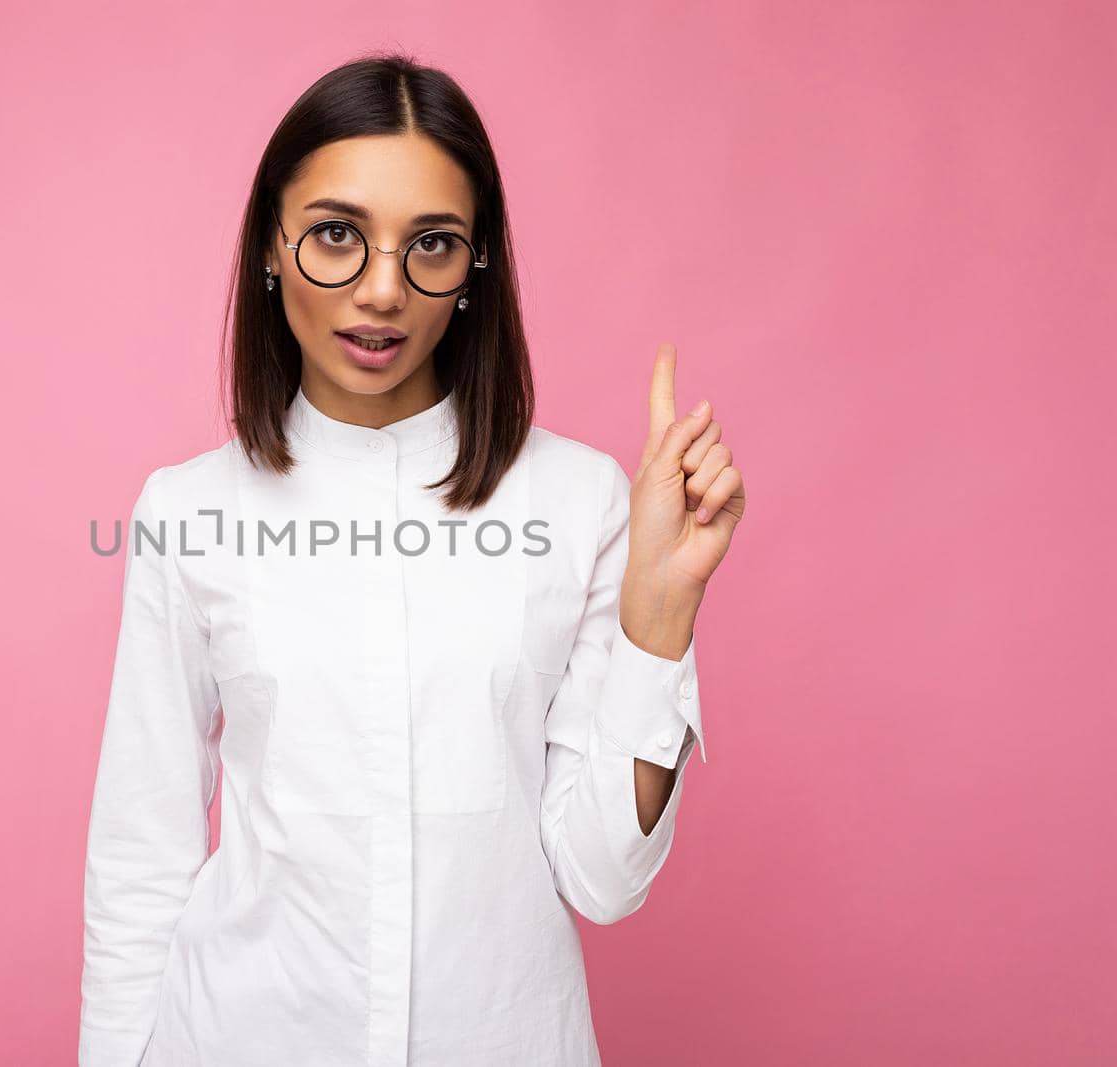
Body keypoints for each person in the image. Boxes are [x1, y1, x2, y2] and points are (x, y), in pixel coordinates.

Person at [78, 52, 746, 1067]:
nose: (382, 290)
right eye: (337, 235)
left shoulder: (582, 500)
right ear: (273, 240)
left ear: (474, 263)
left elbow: (603, 877)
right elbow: (142, 853)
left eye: (431, 243)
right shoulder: (188, 512)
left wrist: (660, 616)